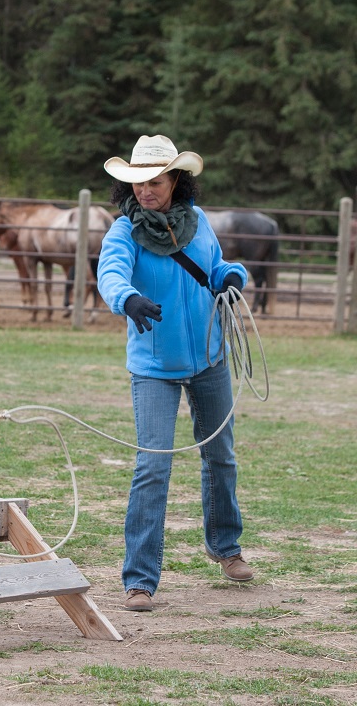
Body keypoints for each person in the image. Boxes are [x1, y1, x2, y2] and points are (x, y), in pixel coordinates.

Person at [96, 135, 253, 613]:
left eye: (156, 181)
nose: (146, 190)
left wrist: (232, 275)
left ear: (175, 181)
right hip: (154, 367)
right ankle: (140, 579)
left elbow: (216, 265)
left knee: (220, 455)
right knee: (153, 466)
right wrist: (127, 299)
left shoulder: (199, 221)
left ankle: (225, 547)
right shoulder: (122, 232)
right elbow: (110, 274)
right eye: (138, 182)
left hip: (209, 356)